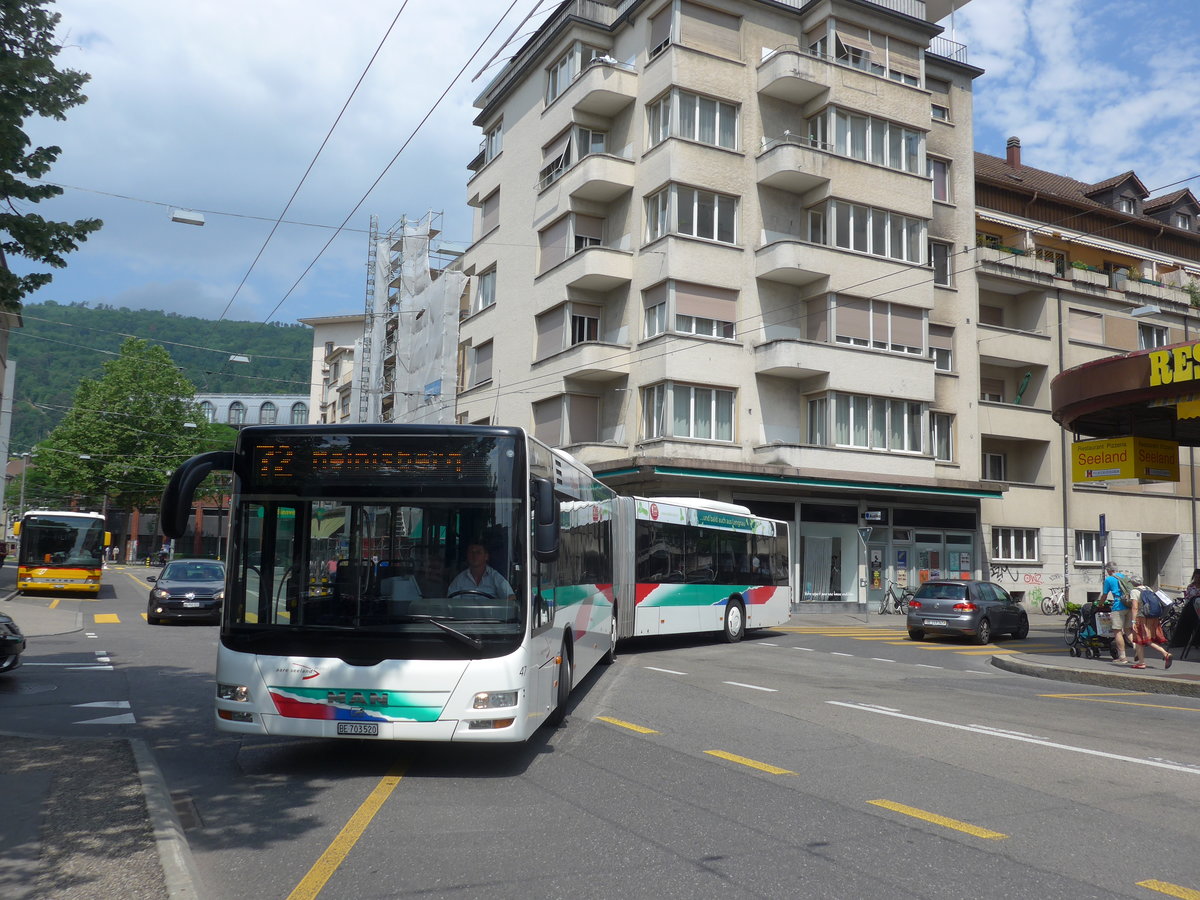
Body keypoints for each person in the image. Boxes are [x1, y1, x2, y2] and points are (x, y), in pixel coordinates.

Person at [448, 542, 515, 601]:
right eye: (471, 552)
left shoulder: (495, 577)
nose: (474, 556)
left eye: (478, 552)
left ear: (486, 556)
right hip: (465, 615)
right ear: (467, 556)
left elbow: (511, 597)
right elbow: (451, 603)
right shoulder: (459, 579)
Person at [1130, 575, 1171, 670]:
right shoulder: (1148, 588)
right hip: (1153, 617)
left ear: (1132, 583)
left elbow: (1135, 607)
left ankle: (1165, 653)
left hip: (1142, 618)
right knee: (1141, 640)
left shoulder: (1134, 591)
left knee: (1144, 640)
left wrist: (1133, 621)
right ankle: (1141, 661)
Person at [1103, 561, 1133, 664]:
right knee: (1128, 630)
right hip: (1129, 605)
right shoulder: (1124, 577)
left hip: (1118, 606)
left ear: (1109, 570)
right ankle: (1138, 650)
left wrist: (1100, 604)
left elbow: (1104, 595)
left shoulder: (1109, 579)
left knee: (1117, 631)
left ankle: (1122, 657)